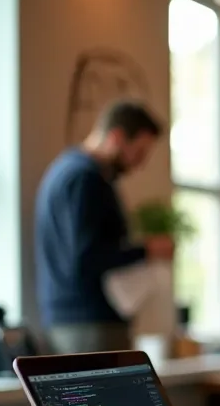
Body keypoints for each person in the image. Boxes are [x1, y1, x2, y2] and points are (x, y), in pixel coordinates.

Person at [35, 100, 173, 353]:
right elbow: (85, 257)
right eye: (139, 152)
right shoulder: (85, 179)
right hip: (89, 325)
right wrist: (147, 250)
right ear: (117, 137)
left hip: (77, 321)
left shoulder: (69, 171)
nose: (139, 164)